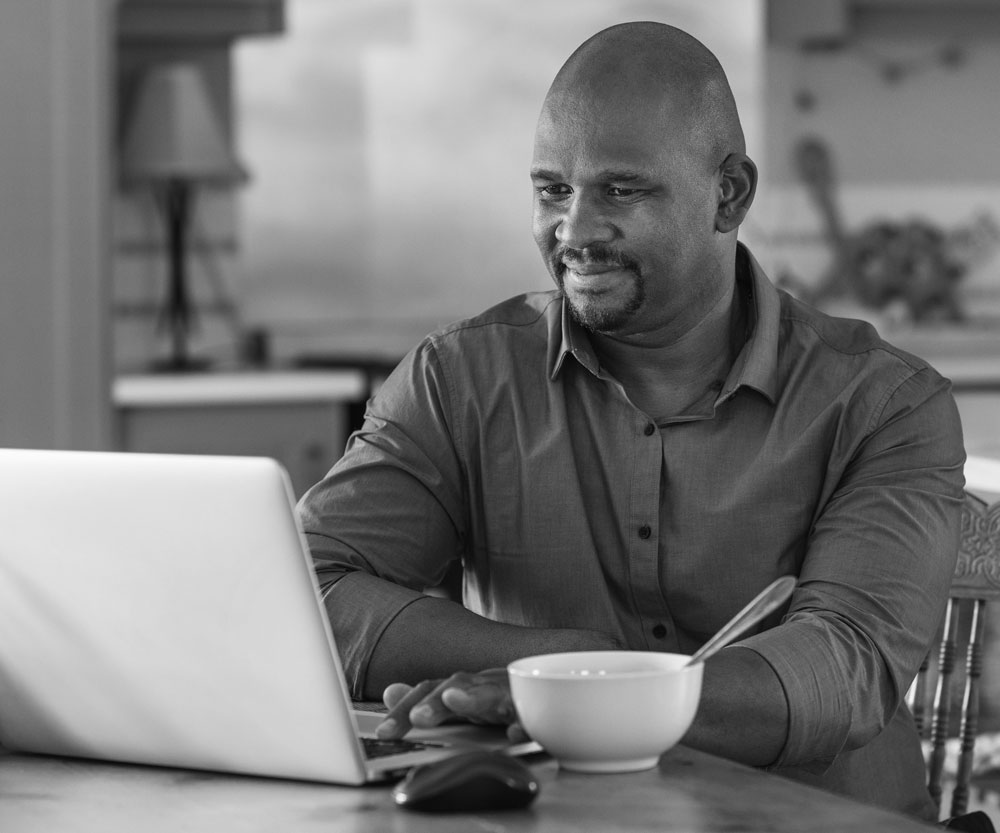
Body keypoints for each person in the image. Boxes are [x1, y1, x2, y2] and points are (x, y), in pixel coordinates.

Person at [298, 21, 966, 820]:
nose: (574, 232)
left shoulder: (886, 403)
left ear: (730, 195)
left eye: (622, 189)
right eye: (552, 189)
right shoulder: (459, 380)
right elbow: (308, 587)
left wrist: (582, 698)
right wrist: (555, 664)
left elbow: (841, 667)